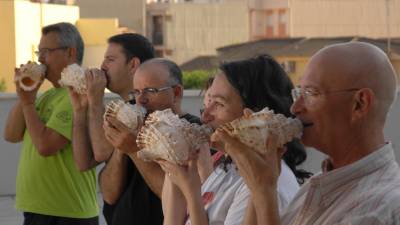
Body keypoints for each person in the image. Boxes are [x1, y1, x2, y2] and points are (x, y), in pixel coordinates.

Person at [213, 42, 400, 225]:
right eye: (298, 93)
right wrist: (258, 189)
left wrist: (264, 193)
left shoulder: (379, 208)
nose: (295, 108)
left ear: (360, 103)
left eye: (311, 93)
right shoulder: (319, 184)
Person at [157, 55, 311, 225]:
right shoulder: (228, 167)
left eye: (219, 104)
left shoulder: (269, 185)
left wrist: (191, 192)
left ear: (255, 115)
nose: (205, 116)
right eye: (208, 102)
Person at [3, 22, 98, 225]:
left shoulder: (77, 95)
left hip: (68, 212)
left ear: (70, 53)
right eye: (39, 51)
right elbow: (10, 135)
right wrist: (26, 93)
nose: (39, 58)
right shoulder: (46, 96)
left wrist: (28, 103)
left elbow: (46, 146)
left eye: (46, 51)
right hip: (40, 209)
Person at [67, 33, 164, 225]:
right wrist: (80, 109)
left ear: (133, 64)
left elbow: (103, 152)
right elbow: (84, 162)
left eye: (110, 60)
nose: (103, 66)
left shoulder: (149, 109)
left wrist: (95, 101)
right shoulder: (122, 108)